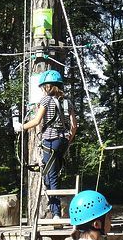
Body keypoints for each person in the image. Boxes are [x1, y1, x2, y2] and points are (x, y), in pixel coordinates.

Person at [15, 69, 78, 218]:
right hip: (62, 141)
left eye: (44, 87)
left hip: (50, 141)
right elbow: (74, 126)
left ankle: (56, 213)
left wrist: (21, 127)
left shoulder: (46, 100)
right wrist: (68, 140)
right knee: (49, 174)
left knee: (51, 175)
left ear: (47, 86)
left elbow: (37, 121)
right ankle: (55, 206)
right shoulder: (67, 102)